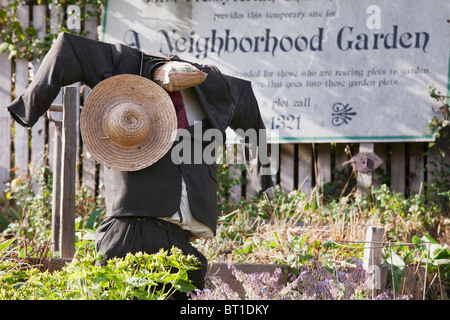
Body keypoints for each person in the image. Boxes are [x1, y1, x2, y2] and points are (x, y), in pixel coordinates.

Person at [5, 32, 274, 298]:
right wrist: (29, 106)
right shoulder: (119, 64)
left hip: (177, 242)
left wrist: (262, 177)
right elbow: (67, 46)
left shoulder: (212, 85)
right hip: (127, 233)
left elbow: (244, 96)